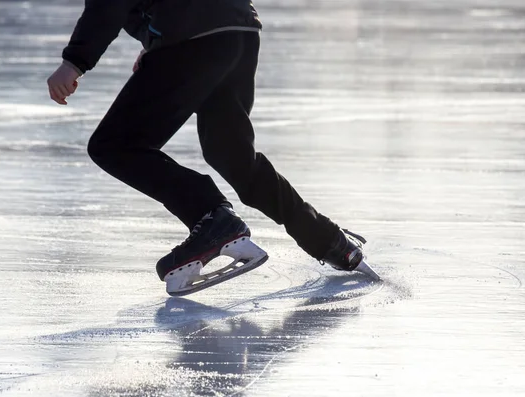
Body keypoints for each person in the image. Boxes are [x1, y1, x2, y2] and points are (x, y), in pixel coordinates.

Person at [46, 0, 376, 296]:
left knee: (114, 144)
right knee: (230, 153)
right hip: (238, 30)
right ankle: (329, 240)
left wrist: (74, 62)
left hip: (192, 36)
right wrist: (156, 40)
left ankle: (212, 217)